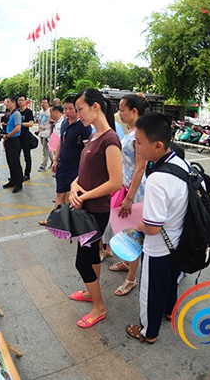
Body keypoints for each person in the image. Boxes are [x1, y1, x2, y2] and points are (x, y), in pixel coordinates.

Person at [124, 113, 188, 344]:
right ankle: (170, 311)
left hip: (159, 246)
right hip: (177, 239)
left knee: (150, 291)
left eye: (139, 141)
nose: (135, 146)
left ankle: (148, 332)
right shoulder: (180, 163)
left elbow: (151, 228)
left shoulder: (157, 178)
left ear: (158, 145)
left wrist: (134, 224)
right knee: (170, 282)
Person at [68, 88, 122, 328]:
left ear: (95, 106)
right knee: (91, 256)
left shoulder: (110, 139)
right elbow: (84, 173)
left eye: (80, 108)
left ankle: (99, 307)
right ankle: (92, 293)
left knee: (83, 261)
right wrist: (73, 186)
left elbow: (115, 182)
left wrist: (85, 195)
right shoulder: (93, 136)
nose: (78, 113)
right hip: (85, 207)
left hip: (96, 211)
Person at [105, 94, 149, 296]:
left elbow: (141, 168)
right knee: (123, 229)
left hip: (135, 189)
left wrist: (130, 197)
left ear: (134, 111)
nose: (119, 113)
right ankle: (127, 262)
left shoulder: (140, 132)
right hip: (124, 187)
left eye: (123, 109)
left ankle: (131, 278)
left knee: (132, 233)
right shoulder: (130, 130)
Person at [38, 99, 92, 226]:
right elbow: (60, 143)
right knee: (60, 195)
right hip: (63, 166)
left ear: (77, 110)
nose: (67, 112)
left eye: (70, 109)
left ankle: (72, 223)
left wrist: (84, 170)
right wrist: (55, 160)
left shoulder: (84, 127)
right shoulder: (64, 124)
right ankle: (54, 220)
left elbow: (87, 150)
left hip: (76, 169)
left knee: (74, 198)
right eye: (65, 108)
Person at [1, 96, 23, 193]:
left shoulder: (17, 114)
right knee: (10, 162)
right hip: (9, 140)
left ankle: (19, 183)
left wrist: (8, 136)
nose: (7, 104)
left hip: (14, 140)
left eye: (8, 102)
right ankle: (13, 180)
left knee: (15, 162)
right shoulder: (10, 114)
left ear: (14, 103)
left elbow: (18, 128)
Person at [17, 94, 34, 181]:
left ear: (25, 101)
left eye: (22, 100)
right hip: (17, 137)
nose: (20, 102)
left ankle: (27, 174)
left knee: (27, 156)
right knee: (16, 157)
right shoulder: (16, 112)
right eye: (19, 100)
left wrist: (20, 124)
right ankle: (17, 175)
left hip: (25, 137)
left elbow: (31, 124)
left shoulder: (28, 112)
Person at [37, 97, 53, 172]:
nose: (43, 104)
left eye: (45, 102)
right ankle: (53, 161)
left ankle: (43, 165)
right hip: (42, 133)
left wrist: (51, 133)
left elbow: (53, 121)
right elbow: (39, 121)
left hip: (47, 133)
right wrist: (38, 129)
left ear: (48, 103)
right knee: (48, 149)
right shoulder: (41, 112)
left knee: (45, 150)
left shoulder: (50, 112)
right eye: (42, 102)